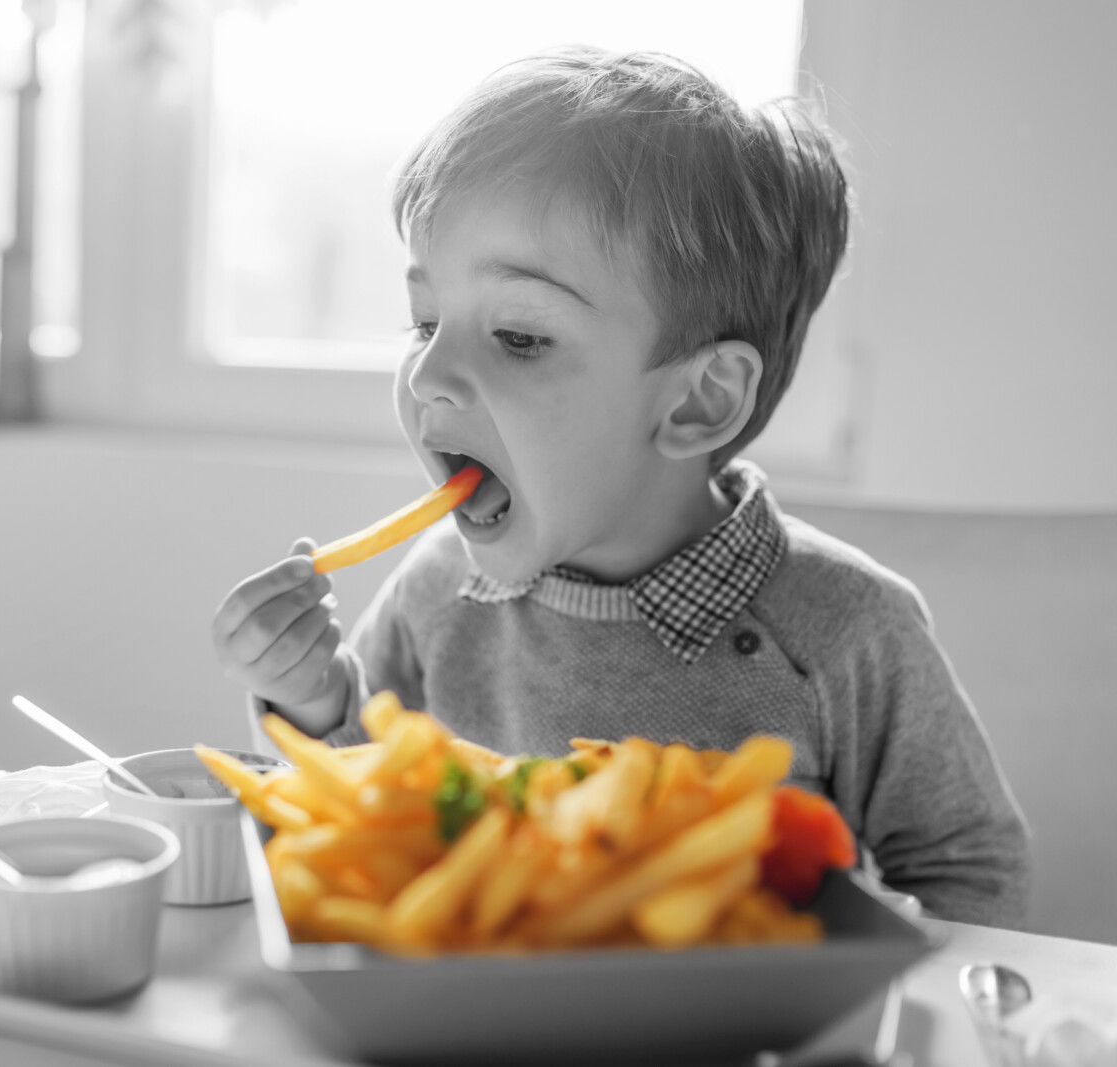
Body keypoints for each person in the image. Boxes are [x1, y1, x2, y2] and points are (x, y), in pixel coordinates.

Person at [209, 47, 1029, 928]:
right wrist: (313, 697)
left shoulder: (846, 629)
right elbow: (370, 805)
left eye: (519, 336)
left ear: (698, 400)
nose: (429, 374)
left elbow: (968, 867)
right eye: (424, 322)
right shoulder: (438, 586)